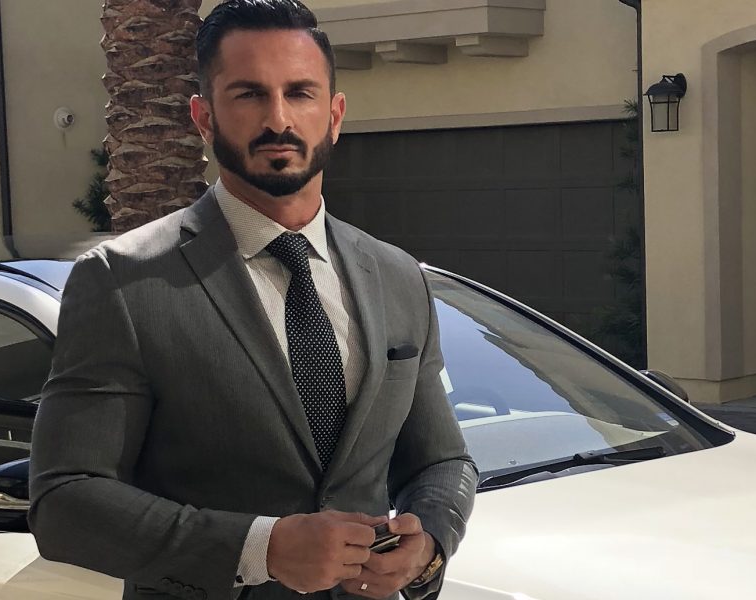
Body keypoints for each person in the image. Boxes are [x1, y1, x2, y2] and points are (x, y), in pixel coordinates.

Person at [27, 1, 478, 599]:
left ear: (334, 115)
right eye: (249, 94)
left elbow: (441, 462)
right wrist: (260, 548)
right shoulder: (123, 282)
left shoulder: (396, 276)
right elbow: (65, 502)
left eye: (300, 93)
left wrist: (429, 545)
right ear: (203, 117)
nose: (278, 119)